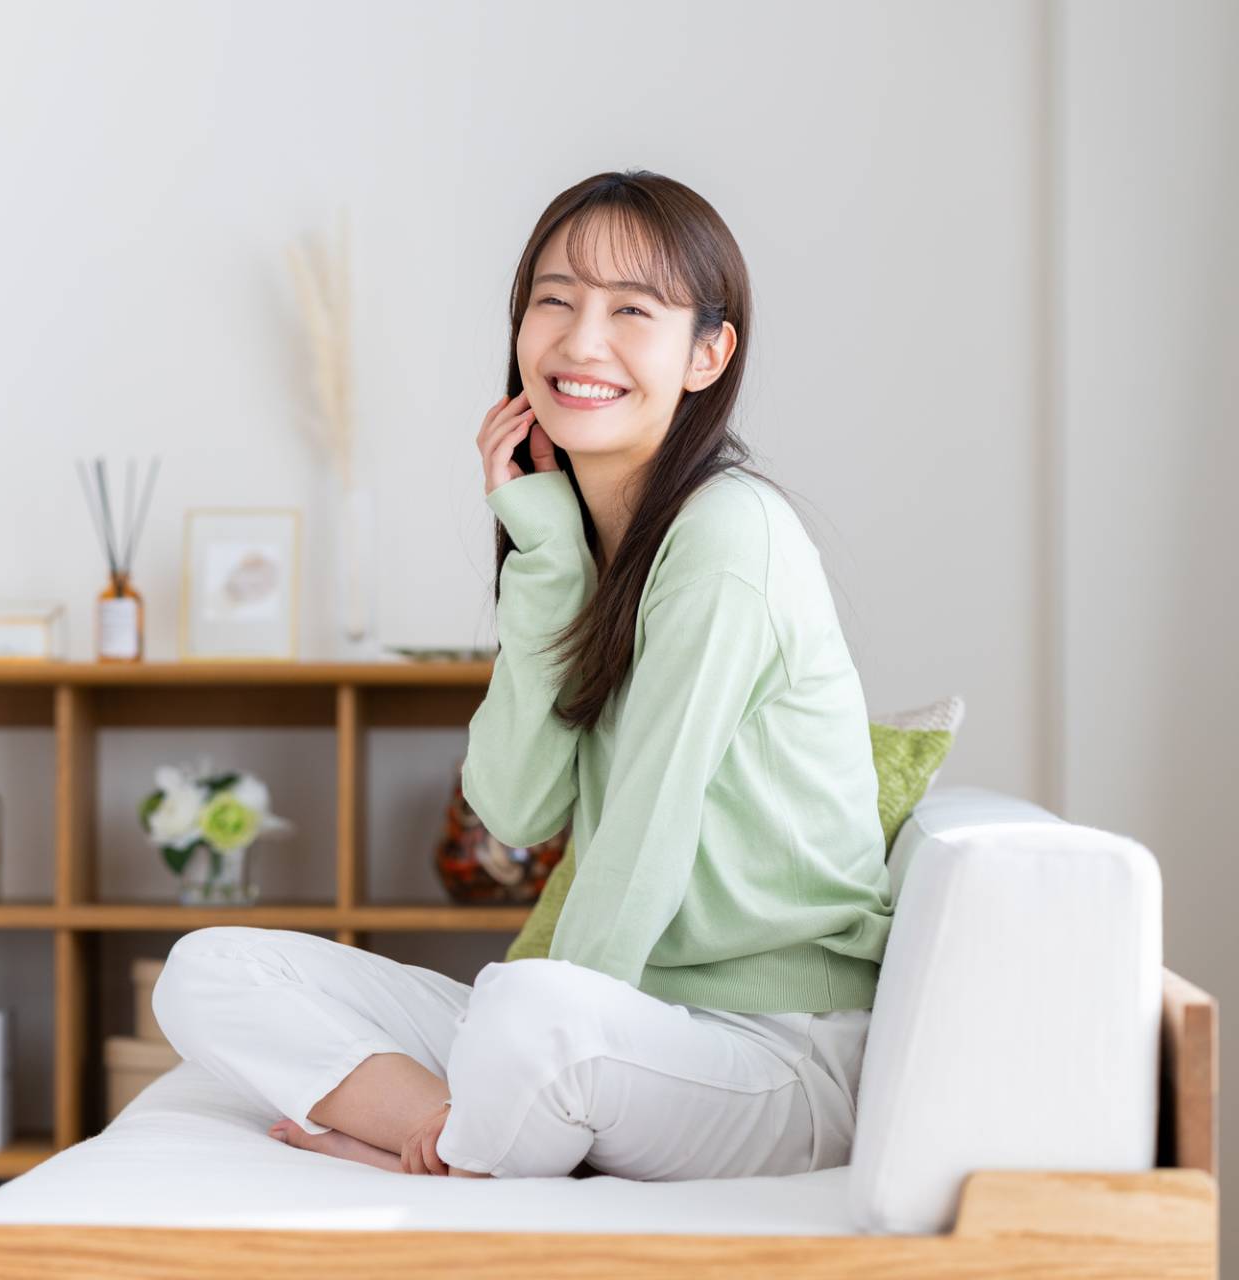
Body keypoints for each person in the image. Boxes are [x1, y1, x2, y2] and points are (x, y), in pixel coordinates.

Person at [152, 170, 892, 1181]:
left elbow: (642, 829)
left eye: (633, 310)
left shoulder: (730, 538)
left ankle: (450, 1150)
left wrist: (537, 1028)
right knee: (208, 970)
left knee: (527, 1003)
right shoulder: (589, 546)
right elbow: (514, 801)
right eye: (556, 300)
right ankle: (457, 1129)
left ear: (708, 353)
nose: (582, 342)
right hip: (633, 1026)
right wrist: (544, 555)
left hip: (775, 1053)